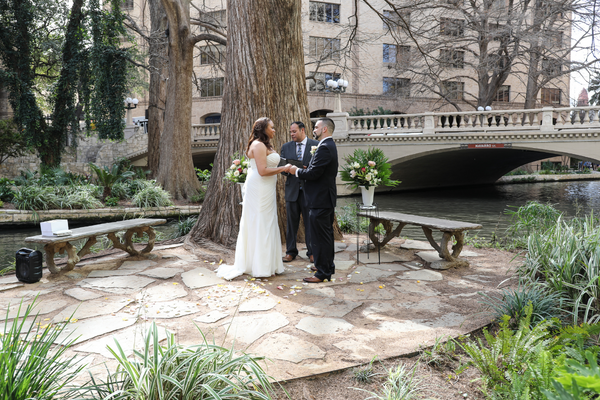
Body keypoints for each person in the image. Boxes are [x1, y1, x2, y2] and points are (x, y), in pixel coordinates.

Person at [216, 117, 292, 280]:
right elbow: (263, 171)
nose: (274, 130)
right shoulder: (257, 145)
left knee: (268, 222)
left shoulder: (265, 145)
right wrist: (284, 168)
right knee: (260, 222)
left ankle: (269, 264)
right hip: (259, 187)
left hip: (267, 188)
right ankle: (259, 266)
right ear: (263, 129)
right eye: (271, 127)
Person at [288, 118, 338, 283]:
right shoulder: (329, 145)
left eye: (316, 127)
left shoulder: (324, 147)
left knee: (320, 237)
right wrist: (306, 169)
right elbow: (317, 170)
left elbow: (313, 174)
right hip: (324, 198)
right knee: (326, 235)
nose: (313, 130)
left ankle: (322, 273)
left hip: (320, 199)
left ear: (324, 129)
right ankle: (326, 265)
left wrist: (295, 171)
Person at [280, 121, 319, 263]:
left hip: (309, 191)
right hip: (292, 191)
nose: (292, 134)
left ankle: (312, 252)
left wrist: (305, 170)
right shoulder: (286, 147)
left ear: (302, 130)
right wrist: (287, 169)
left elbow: (318, 167)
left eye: (294, 131)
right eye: (291, 132)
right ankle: (290, 252)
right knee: (291, 224)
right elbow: (282, 170)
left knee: (310, 223)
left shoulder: (316, 145)